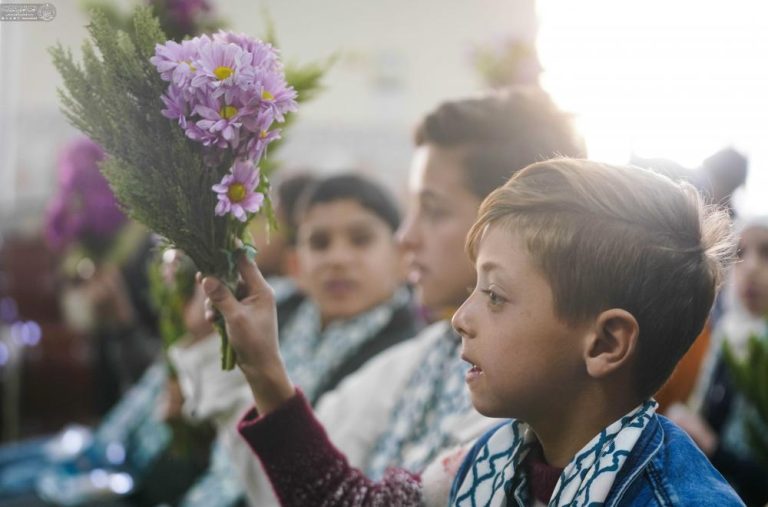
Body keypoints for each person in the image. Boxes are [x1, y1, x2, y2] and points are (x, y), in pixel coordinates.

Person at [203, 158, 743, 506]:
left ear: (604, 344)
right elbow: (346, 502)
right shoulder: (484, 462)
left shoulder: (677, 499)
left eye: (495, 296)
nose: (462, 318)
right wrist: (263, 368)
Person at [203, 87, 587, 506]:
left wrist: (264, 371)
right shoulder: (423, 354)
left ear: (521, 226)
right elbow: (282, 485)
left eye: (434, 210)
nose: (406, 237)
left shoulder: (532, 396)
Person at [171, 172, 421, 505]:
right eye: (319, 243)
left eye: (360, 240)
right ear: (295, 264)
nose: (338, 259)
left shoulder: (405, 356)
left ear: (404, 258)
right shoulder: (277, 310)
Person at [668, 216, 768, 506]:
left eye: (766, 252)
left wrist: (710, 445)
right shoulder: (724, 335)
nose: (751, 268)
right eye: (740, 252)